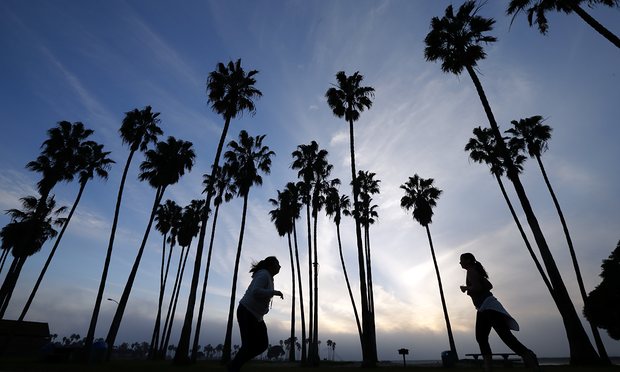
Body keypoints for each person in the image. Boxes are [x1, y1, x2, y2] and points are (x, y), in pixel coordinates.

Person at [459, 252, 539, 371]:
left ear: (469, 261)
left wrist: (466, 288)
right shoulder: (475, 271)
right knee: (487, 338)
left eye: (462, 260)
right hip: (485, 308)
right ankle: (491, 366)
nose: (460, 262)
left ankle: (528, 357)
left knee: (498, 337)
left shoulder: (471, 271)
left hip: (488, 308)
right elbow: (489, 286)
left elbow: (479, 288)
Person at [228, 256, 283, 372]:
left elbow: (261, 295)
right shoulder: (263, 274)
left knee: (262, 344)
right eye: (277, 264)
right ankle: (234, 367)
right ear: (271, 265)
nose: (280, 266)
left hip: (256, 316)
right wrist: (274, 292)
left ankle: (235, 364)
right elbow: (255, 291)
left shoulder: (269, 277)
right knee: (248, 345)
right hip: (246, 312)